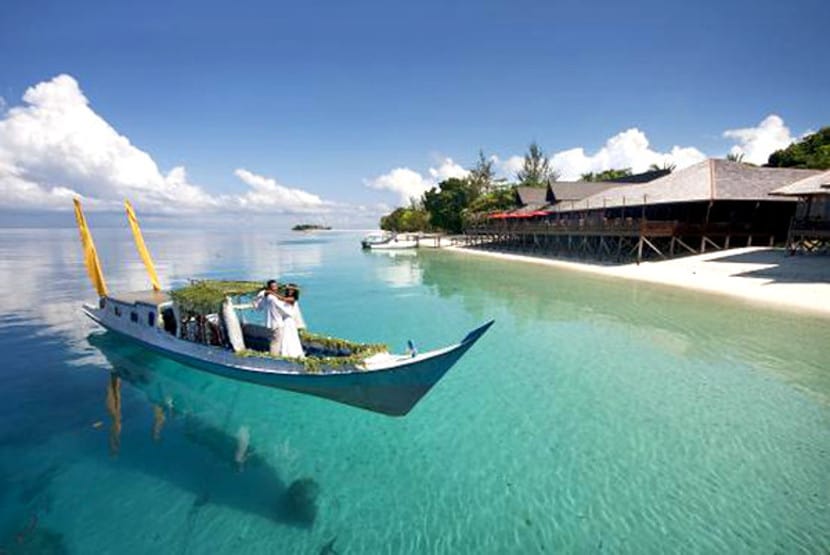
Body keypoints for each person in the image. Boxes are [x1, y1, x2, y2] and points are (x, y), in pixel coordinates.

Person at [253, 280, 304, 359]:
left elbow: (282, 299)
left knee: (289, 338)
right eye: (289, 290)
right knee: (283, 339)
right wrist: (267, 293)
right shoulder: (274, 298)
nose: (290, 291)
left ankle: (288, 354)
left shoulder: (292, 298)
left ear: (295, 292)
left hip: (289, 321)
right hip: (283, 321)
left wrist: (270, 292)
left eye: (292, 290)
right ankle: (280, 354)